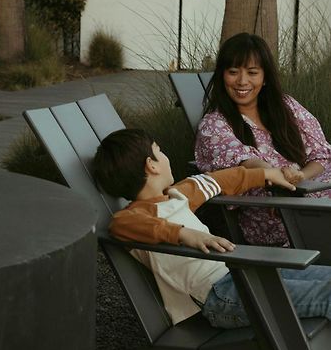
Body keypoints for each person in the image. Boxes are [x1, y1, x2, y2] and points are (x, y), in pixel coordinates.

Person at [93, 128, 331, 328]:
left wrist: (266, 173)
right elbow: (120, 225)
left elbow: (219, 180)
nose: (164, 155)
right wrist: (183, 234)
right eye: (159, 151)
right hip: (217, 297)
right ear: (151, 166)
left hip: (238, 273)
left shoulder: (177, 194)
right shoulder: (135, 216)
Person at [195, 32, 331, 246]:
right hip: (277, 216)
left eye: (252, 72)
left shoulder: (287, 107)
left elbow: (321, 153)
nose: (242, 81)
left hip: (313, 197)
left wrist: (299, 177)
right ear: (222, 75)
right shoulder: (214, 125)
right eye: (233, 72)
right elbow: (246, 162)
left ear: (265, 77)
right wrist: (274, 175)